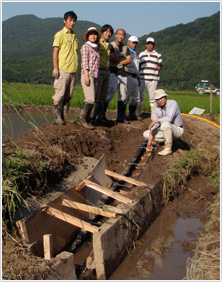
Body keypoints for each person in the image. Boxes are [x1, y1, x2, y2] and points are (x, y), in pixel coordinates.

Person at [52, 11, 79, 125]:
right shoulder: (60, 34)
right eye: (70, 20)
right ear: (65, 21)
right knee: (59, 94)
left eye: (74, 21)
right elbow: (55, 51)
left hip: (72, 69)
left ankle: (65, 116)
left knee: (69, 95)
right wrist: (55, 68)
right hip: (63, 68)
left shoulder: (75, 36)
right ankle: (57, 117)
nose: (72, 23)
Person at [103, 29, 132, 124]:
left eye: (123, 35)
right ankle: (102, 115)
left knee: (123, 96)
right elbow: (112, 57)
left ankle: (121, 117)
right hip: (113, 72)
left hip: (123, 73)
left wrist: (119, 61)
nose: (121, 36)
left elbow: (129, 60)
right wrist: (122, 60)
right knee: (109, 94)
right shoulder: (111, 45)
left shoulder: (125, 47)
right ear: (115, 35)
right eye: (119, 34)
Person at [143, 89, 184, 156]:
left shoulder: (173, 103)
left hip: (177, 130)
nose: (160, 101)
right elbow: (155, 126)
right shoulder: (157, 109)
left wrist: (157, 121)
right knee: (146, 134)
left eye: (161, 98)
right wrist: (149, 141)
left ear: (165, 97)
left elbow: (169, 118)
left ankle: (168, 149)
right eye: (158, 99)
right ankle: (167, 139)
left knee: (165, 124)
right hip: (165, 130)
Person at [79, 27, 102, 129]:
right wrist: (86, 76)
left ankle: (87, 119)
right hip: (88, 74)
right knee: (90, 99)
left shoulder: (96, 48)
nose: (93, 36)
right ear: (87, 36)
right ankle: (82, 120)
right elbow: (85, 62)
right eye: (91, 34)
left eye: (95, 34)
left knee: (94, 98)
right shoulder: (85, 47)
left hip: (95, 75)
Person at [137, 37, 162, 121]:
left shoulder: (158, 55)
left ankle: (153, 116)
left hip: (153, 79)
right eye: (148, 43)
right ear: (146, 44)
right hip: (142, 78)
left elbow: (160, 66)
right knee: (140, 97)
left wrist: (154, 73)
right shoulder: (141, 54)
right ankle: (138, 113)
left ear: (153, 45)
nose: (150, 45)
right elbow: (139, 66)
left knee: (153, 98)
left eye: (151, 44)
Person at [92, 24, 114, 124]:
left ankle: (100, 117)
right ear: (102, 32)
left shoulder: (109, 45)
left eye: (110, 32)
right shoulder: (97, 43)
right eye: (106, 31)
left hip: (106, 71)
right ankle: (92, 118)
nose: (108, 34)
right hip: (99, 70)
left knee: (103, 96)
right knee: (95, 95)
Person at [125, 36, 140, 121]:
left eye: (136, 43)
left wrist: (138, 78)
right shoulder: (126, 51)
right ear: (128, 42)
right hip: (129, 75)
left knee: (135, 97)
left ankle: (132, 113)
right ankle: (123, 113)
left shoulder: (135, 54)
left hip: (135, 76)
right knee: (126, 96)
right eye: (133, 42)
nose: (134, 44)